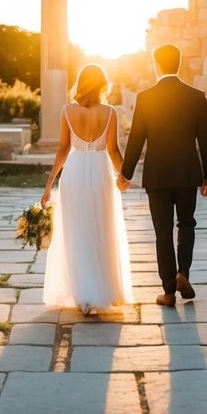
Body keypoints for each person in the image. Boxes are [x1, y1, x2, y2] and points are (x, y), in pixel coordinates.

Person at [117, 44, 207, 308]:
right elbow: (205, 138)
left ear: (156, 64)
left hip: (157, 175)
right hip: (187, 172)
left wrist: (125, 174)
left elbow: (136, 138)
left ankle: (169, 292)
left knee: (162, 230)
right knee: (186, 224)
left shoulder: (146, 97)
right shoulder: (196, 96)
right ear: (179, 64)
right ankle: (183, 272)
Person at [40, 64, 133, 314]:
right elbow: (113, 150)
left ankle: (84, 297)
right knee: (101, 230)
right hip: (101, 174)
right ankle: (101, 291)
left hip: (74, 173)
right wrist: (124, 175)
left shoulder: (67, 111)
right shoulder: (110, 112)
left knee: (76, 231)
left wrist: (48, 187)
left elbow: (62, 150)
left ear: (80, 83)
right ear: (102, 83)